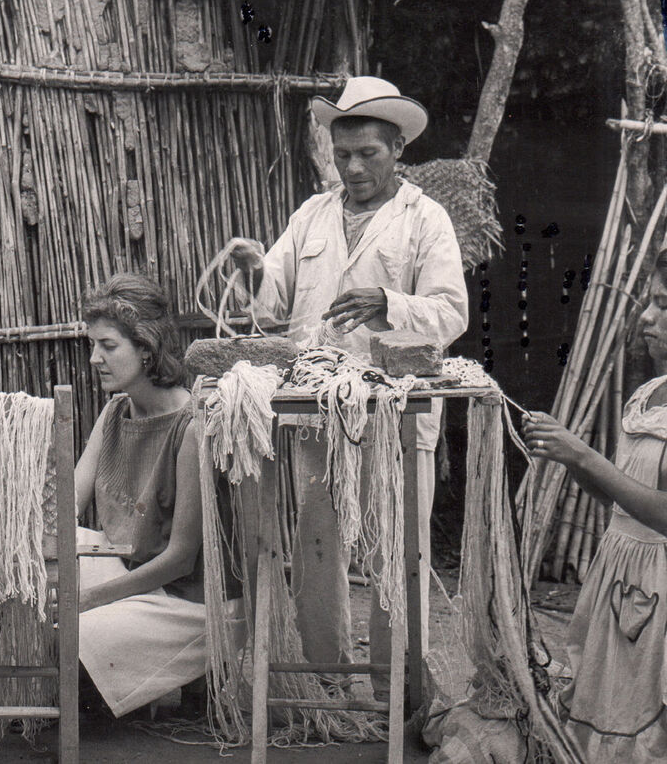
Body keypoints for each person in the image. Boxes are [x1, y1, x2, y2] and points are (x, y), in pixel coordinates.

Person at [225, 76, 469, 694]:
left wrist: (388, 302)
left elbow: (451, 311)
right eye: (343, 155)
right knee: (317, 541)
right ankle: (325, 679)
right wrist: (252, 268)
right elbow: (271, 295)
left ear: (398, 151)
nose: (354, 167)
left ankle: (398, 686)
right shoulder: (311, 215)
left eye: (368, 153)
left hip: (396, 409)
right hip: (319, 403)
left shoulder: (424, 219)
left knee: (398, 549)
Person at [73, 273, 243, 718]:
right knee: (56, 554)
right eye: (93, 345)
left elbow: (181, 560)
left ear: (146, 349)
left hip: (187, 601)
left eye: (108, 346)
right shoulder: (114, 412)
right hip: (135, 572)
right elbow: (67, 507)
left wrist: (88, 600)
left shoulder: (192, 425)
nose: (95, 358)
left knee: (68, 647)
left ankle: (185, 673)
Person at [521, 247, 667, 760]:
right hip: (621, 575)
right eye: (650, 301)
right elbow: (619, 497)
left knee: (649, 711)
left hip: (662, 585)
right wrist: (572, 460)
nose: (647, 317)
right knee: (610, 699)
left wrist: (584, 453)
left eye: (663, 305)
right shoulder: (649, 394)